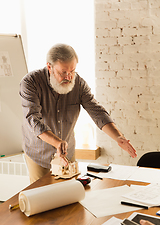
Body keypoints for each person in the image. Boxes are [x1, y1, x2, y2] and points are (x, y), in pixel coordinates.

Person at [19, 43, 137, 183]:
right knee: (41, 198)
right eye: (63, 72)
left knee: (69, 194)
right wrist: (57, 143)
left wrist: (118, 137)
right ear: (49, 67)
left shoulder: (79, 84)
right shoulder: (30, 82)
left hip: (67, 153)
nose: (68, 77)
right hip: (39, 154)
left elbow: (97, 111)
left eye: (72, 71)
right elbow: (33, 119)